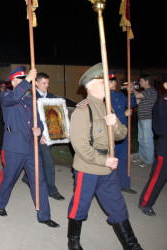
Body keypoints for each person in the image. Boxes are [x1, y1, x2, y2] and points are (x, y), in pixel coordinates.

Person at [67, 63, 142, 250]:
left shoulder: (106, 108)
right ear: (92, 85)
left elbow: (121, 135)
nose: (108, 85)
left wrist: (115, 123)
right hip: (89, 168)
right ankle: (73, 242)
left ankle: (131, 245)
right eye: (103, 81)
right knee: (80, 206)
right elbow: (80, 146)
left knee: (117, 206)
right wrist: (103, 160)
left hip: (108, 167)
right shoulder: (82, 110)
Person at [0, 66, 59, 228]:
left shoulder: (32, 100)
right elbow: (15, 98)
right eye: (22, 80)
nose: (27, 83)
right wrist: (29, 79)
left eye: (27, 80)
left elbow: (39, 120)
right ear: (14, 81)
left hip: (31, 146)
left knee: (39, 181)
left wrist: (39, 130)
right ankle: (0, 204)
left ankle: (44, 215)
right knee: (9, 178)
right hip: (13, 147)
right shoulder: (6, 96)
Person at [21, 72, 65, 201]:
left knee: (40, 160)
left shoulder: (52, 97)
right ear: (36, 83)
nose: (47, 85)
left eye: (48, 83)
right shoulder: (30, 98)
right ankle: (52, 190)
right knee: (49, 162)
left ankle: (27, 177)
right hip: (37, 135)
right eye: (44, 83)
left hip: (50, 135)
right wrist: (39, 135)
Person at [138, 74, 167, 216]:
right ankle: (146, 202)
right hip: (165, 144)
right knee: (159, 176)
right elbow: (160, 127)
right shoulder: (163, 102)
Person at [109, 72, 137, 194]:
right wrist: (123, 114)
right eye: (111, 81)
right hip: (111, 132)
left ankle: (124, 184)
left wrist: (131, 93)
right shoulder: (104, 97)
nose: (114, 83)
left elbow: (132, 104)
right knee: (111, 160)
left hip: (123, 131)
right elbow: (107, 114)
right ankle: (111, 186)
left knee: (124, 159)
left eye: (114, 81)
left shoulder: (119, 95)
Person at [132, 74, 158, 168]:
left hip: (148, 119)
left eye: (141, 81)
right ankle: (141, 157)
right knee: (141, 139)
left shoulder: (151, 90)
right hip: (141, 119)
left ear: (147, 81)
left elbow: (138, 95)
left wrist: (133, 89)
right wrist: (133, 93)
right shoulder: (145, 92)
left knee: (147, 140)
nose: (139, 83)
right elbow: (138, 101)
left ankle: (149, 161)